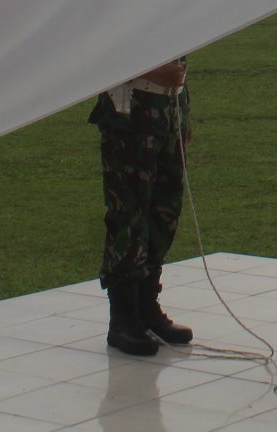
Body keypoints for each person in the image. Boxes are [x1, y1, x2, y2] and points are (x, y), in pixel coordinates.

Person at [92, 58, 194, 356]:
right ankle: (123, 319)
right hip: (131, 112)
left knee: (165, 212)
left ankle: (147, 307)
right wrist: (155, 70)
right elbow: (103, 51)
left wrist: (183, 111)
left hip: (169, 108)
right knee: (129, 213)